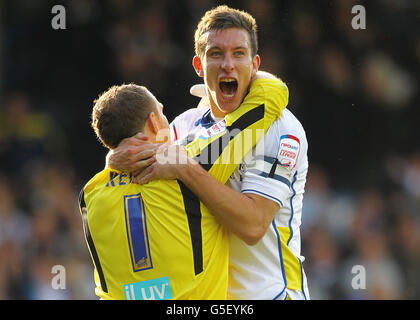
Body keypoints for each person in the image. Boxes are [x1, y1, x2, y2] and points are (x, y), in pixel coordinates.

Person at [108, 5, 310, 300]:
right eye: (216, 53)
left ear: (255, 65)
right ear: (199, 65)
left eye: (238, 53)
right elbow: (139, 171)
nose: (228, 64)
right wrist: (113, 160)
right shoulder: (183, 124)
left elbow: (253, 226)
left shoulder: (281, 128)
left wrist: (185, 167)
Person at [79, 78, 288, 299]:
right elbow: (272, 94)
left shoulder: (90, 195)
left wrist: (111, 159)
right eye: (162, 113)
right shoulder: (190, 163)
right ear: (154, 123)